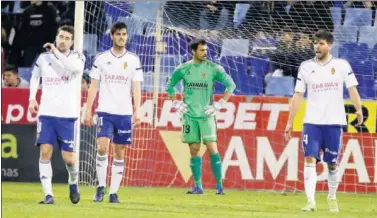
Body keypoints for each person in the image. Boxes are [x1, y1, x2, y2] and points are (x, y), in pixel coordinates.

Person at [284, 30, 363, 212]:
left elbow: (352, 89)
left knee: (332, 163)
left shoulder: (342, 65)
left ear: (330, 45)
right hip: (312, 122)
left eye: (321, 43)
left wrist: (358, 109)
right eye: (315, 43)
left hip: (334, 122)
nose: (317, 47)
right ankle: (310, 201)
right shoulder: (305, 67)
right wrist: (290, 121)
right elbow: (297, 95)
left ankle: (332, 196)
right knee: (309, 158)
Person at [166, 39, 236, 195]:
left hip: (206, 115)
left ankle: (219, 186)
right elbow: (169, 85)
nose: (205, 53)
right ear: (193, 51)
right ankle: (198, 186)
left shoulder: (213, 68)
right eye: (202, 50)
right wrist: (175, 102)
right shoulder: (183, 69)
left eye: (206, 50)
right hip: (189, 115)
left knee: (212, 148)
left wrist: (220, 104)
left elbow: (231, 84)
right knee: (194, 149)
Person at [84, 22, 143, 203]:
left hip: (124, 113)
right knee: (102, 147)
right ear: (112, 36)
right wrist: (88, 110)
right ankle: (101, 186)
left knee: (120, 152)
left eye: (124, 34)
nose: (121, 37)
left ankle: (113, 192)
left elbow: (136, 88)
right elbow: (93, 86)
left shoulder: (133, 60)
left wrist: (137, 111)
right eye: (118, 34)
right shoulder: (101, 58)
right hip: (105, 111)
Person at [28, 25, 85, 204]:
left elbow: (72, 68)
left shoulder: (78, 57)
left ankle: (73, 182)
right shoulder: (44, 58)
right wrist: (32, 98)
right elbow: (35, 77)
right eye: (61, 37)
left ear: (72, 42)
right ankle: (48, 195)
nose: (63, 40)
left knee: (69, 159)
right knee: (45, 152)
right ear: (56, 37)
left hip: (67, 115)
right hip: (47, 113)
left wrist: (55, 52)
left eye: (67, 38)